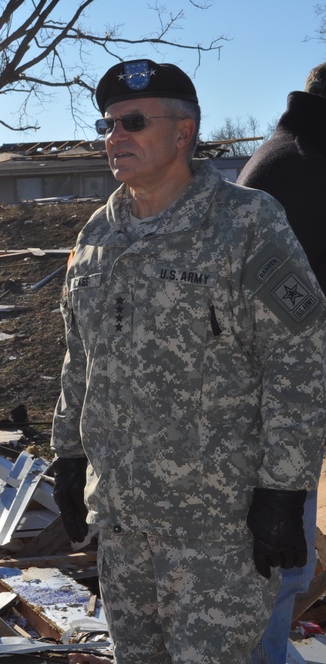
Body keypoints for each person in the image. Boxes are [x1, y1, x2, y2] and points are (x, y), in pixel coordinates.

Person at [51, 58, 326, 663]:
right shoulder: (97, 235)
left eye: (133, 122)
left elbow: (299, 359)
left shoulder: (247, 222)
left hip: (216, 532)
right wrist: (68, 454)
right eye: (108, 125)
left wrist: (284, 488)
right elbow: (80, 359)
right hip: (123, 527)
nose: (114, 137)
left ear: (184, 132)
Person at [237, 62, 326, 664]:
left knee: (290, 561)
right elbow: (290, 320)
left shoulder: (297, 155)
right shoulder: (296, 168)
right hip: (283, 402)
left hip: (294, 396)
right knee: (281, 565)